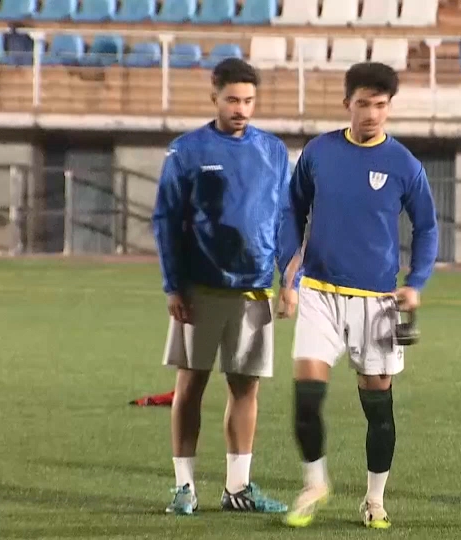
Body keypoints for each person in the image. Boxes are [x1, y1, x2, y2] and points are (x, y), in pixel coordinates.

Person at [274, 61, 439, 529]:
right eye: (363, 103)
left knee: (378, 407)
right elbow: (293, 207)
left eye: (380, 104)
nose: (371, 113)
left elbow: (426, 227)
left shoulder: (405, 165)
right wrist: (289, 265)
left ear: (389, 107)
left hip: (378, 301)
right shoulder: (319, 152)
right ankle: (314, 484)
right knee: (306, 398)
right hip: (319, 294)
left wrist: (416, 281)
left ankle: (373, 500)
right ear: (347, 103)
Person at [151, 57, 290, 516]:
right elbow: (166, 220)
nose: (241, 108)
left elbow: (285, 221)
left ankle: (238, 488)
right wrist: (173, 285)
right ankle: (184, 487)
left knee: (245, 389)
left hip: (254, 291)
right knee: (190, 387)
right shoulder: (187, 150)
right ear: (214, 98)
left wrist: (288, 279)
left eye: (249, 100)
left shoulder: (273, 151)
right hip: (200, 290)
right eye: (232, 99)